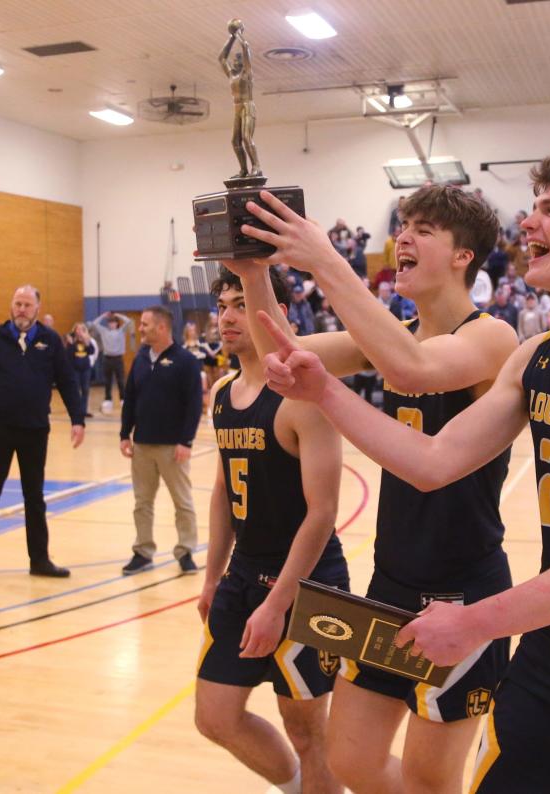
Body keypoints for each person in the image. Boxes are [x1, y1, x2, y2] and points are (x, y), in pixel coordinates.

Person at [262, 151, 550, 793]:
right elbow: (432, 463)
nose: (528, 222)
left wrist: (478, 621)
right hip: (547, 656)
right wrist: (326, 393)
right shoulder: (537, 356)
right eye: (532, 207)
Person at [231, 184, 518, 794]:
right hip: (390, 584)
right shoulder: (396, 334)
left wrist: (325, 260)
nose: (403, 237)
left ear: (464, 255)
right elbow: (277, 353)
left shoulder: (491, 338)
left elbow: (412, 367)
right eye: (403, 224)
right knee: (348, 761)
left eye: (424, 229)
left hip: (462, 593)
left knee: (429, 778)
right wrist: (255, 273)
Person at [195, 267, 348, 794]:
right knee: (214, 715)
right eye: (222, 306)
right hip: (245, 573)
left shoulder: (303, 398)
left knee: (305, 726)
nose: (228, 316)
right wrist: (212, 576)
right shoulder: (220, 393)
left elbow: (322, 512)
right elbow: (222, 493)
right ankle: (299, 786)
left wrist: (279, 602)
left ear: (276, 313)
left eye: (240, 303)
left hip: (309, 584)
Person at [0, 285, 85, 584]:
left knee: (34, 497)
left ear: (37, 309)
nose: (22, 309)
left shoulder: (50, 340)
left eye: (27, 304)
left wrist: (77, 419)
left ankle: (39, 560)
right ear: (11, 306)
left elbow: (67, 381)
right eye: (17, 303)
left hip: (34, 430)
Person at [120, 306, 203, 575]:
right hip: (142, 444)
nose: (140, 328)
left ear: (162, 327)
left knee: (183, 502)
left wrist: (186, 441)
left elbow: (193, 405)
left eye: (144, 324)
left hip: (173, 447)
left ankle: (186, 551)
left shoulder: (186, 361)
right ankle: (143, 552)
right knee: (142, 502)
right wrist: (124, 434)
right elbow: (130, 398)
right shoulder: (141, 359)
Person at [219, 19, 261, 179]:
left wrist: (238, 34)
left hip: (248, 106)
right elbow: (222, 59)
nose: (235, 62)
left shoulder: (247, 74)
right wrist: (230, 38)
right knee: (235, 141)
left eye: (239, 61)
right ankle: (244, 170)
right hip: (237, 107)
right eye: (235, 61)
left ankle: (256, 166)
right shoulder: (232, 75)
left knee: (246, 137)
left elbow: (246, 48)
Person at [89, 311, 134, 409]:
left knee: (120, 380)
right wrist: (103, 316)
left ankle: (123, 399)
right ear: (108, 324)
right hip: (107, 359)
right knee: (107, 381)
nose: (112, 324)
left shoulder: (121, 330)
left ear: (117, 323)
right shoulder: (104, 331)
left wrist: (118, 315)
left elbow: (129, 321)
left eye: (113, 322)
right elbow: (94, 324)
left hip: (118, 359)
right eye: (110, 322)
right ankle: (108, 399)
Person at [67, 323, 96, 419]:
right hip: (75, 369)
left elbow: (91, 351)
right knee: (75, 390)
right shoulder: (71, 340)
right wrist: (71, 344)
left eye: (81, 329)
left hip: (85, 369)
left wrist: (86, 342)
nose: (79, 331)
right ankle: (76, 410)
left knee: (85, 390)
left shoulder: (87, 339)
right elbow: (68, 355)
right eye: (77, 329)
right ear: (74, 330)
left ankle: (83, 411)